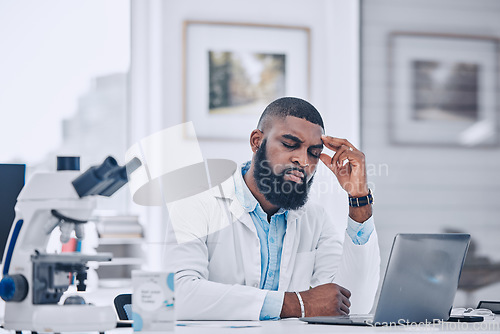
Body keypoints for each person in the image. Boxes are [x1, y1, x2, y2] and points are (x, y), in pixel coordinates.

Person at [165, 97, 380, 320]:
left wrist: (359, 198)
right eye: (289, 144)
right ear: (257, 141)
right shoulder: (195, 204)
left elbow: (353, 306)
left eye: (314, 153)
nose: (302, 160)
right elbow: (178, 296)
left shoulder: (316, 218)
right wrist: (297, 304)